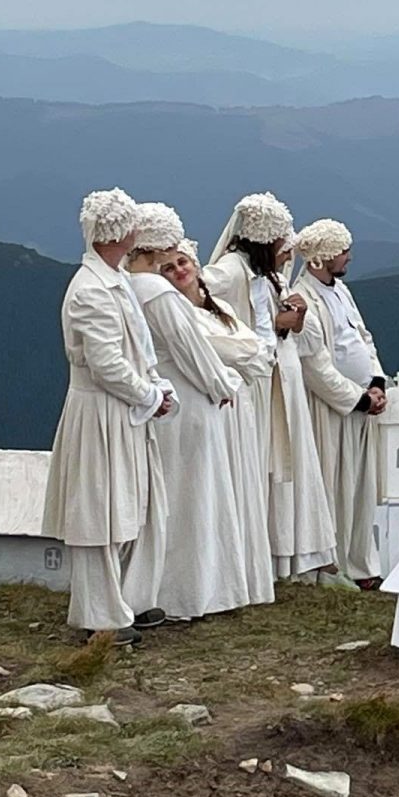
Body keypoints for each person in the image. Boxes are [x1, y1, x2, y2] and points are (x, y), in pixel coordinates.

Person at [41, 189, 175, 645]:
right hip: (100, 412)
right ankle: (101, 615)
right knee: (99, 513)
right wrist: (149, 395)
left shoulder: (110, 280)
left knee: (125, 509)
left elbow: (135, 350)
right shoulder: (91, 290)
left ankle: (123, 601)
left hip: (121, 412)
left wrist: (157, 387)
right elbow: (107, 365)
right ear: (122, 232)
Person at [204, 192, 339, 584]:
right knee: (259, 464)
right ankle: (259, 552)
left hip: (282, 381)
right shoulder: (230, 272)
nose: (287, 248)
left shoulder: (268, 276)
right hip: (258, 387)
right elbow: (204, 310)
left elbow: (295, 336)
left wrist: (295, 318)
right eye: (281, 239)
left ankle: (283, 552)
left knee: (282, 464)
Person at [126, 203, 250, 620]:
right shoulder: (159, 294)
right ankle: (191, 591)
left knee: (171, 495)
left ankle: (163, 587)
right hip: (188, 402)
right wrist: (224, 385)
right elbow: (193, 352)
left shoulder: (127, 286)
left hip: (161, 401)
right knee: (193, 493)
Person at [159, 237, 275, 609]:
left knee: (239, 486)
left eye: (182, 263)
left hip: (237, 407)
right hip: (215, 406)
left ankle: (236, 575)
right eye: (169, 267)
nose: (179, 271)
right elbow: (242, 349)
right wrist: (247, 353)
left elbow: (254, 355)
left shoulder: (220, 307)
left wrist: (247, 353)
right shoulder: (180, 314)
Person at [293, 219, 387, 587]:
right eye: (342, 251)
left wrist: (376, 381)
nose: (348, 256)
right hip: (334, 409)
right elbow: (315, 365)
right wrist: (358, 398)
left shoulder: (341, 290)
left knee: (362, 489)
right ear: (322, 257)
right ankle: (334, 564)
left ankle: (363, 563)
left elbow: (362, 336)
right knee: (336, 486)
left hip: (362, 401)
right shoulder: (304, 298)